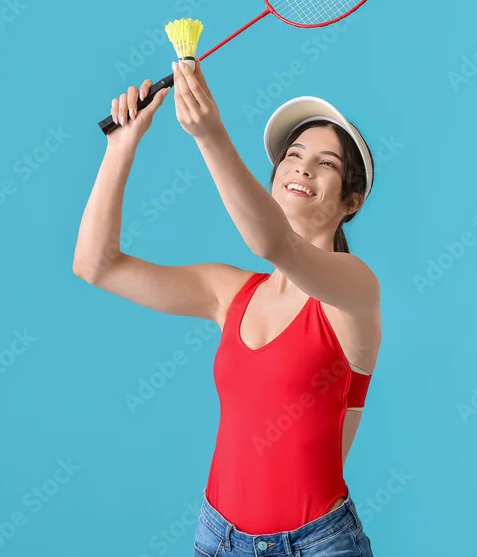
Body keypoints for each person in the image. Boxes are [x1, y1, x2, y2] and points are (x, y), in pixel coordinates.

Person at [73, 59, 381, 556]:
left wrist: (209, 135)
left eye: (327, 163)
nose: (302, 167)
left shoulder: (354, 289)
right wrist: (121, 147)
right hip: (219, 539)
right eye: (293, 154)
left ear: (352, 201)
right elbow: (96, 265)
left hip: (318, 546)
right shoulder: (229, 292)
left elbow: (273, 243)